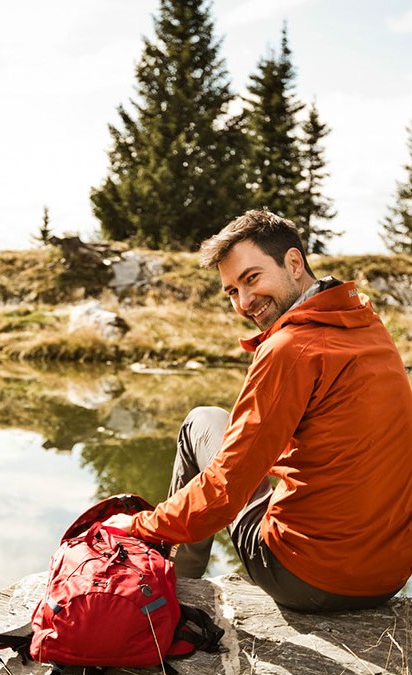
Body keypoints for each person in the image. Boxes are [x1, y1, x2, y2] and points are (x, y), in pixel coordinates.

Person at [107, 209, 412, 612]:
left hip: (307, 578)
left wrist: (138, 526)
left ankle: (170, 589)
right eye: (232, 291)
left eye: (251, 278)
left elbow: (225, 489)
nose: (245, 302)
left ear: (293, 262)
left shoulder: (290, 348)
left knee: (201, 421)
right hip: (387, 576)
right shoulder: (364, 322)